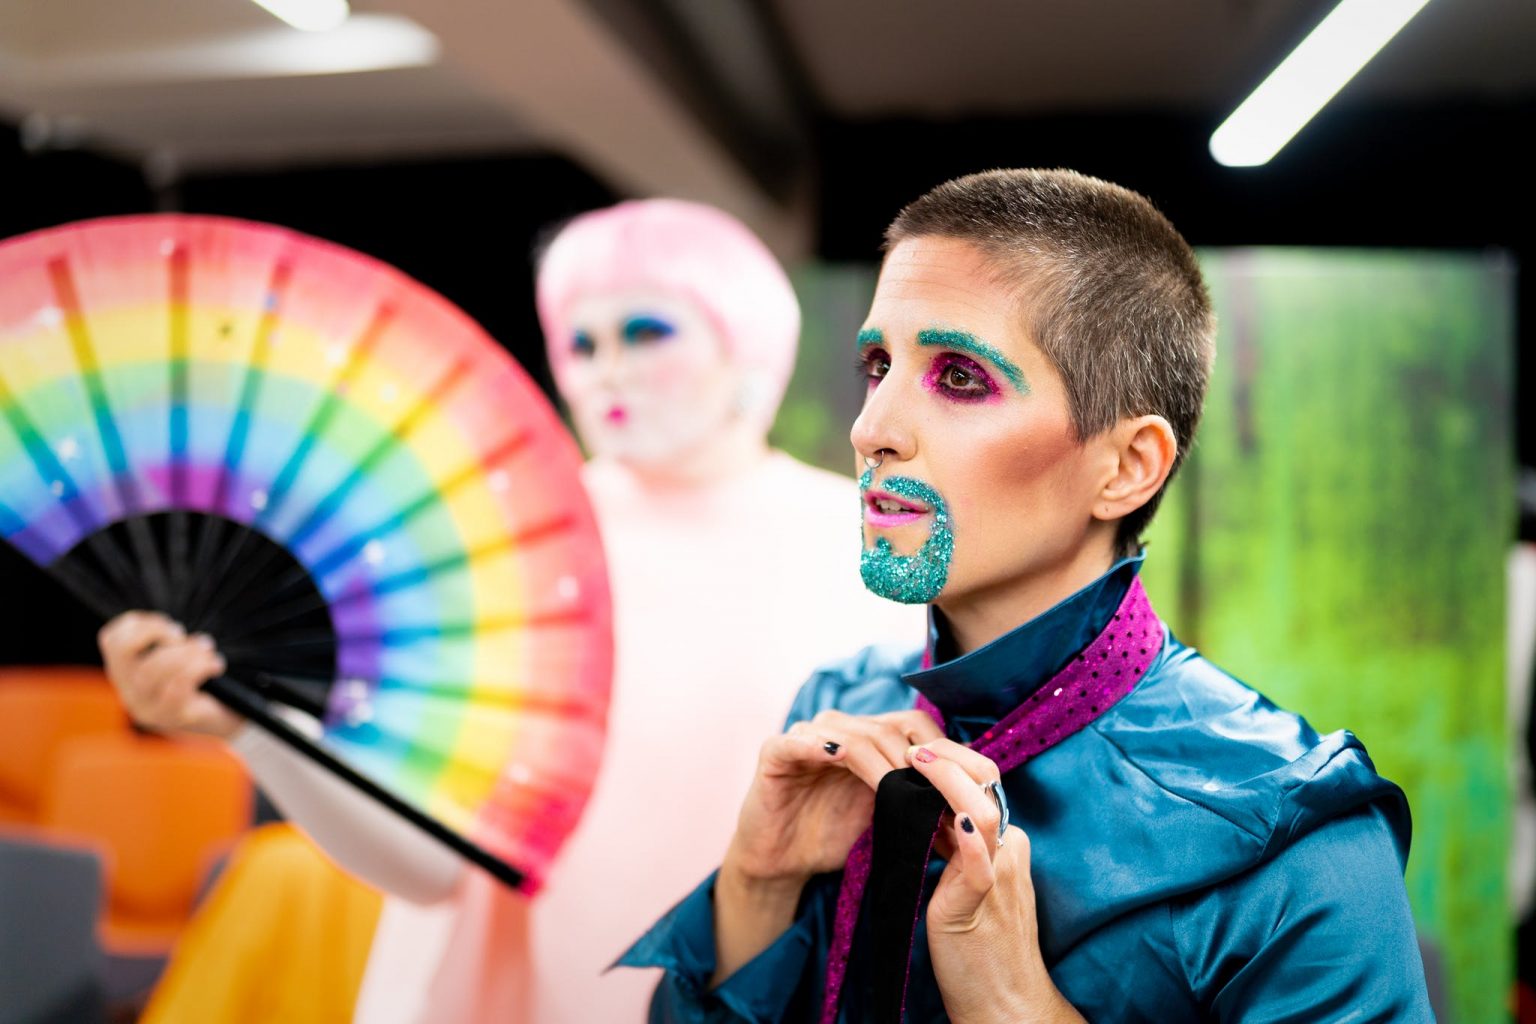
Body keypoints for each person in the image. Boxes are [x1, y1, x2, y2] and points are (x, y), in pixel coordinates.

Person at [617, 169, 1435, 1022]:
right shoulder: (836, 716)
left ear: (1126, 467)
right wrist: (757, 886)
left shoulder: (1289, 836)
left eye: (961, 378)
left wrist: (1018, 1007)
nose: (871, 430)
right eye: (878, 363)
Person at [97, 199, 920, 1023]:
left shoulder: (863, 542)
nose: (606, 368)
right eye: (580, 340)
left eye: (646, 331)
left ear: (745, 339)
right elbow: (429, 866)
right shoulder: (501, 544)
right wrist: (253, 732)